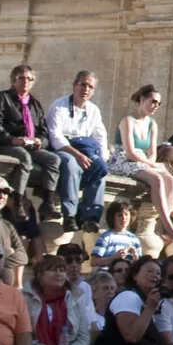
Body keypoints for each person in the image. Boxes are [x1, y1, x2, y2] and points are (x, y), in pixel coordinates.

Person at [0, 66, 78, 217]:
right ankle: (17, 202)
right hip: (6, 145)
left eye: (29, 79)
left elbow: (44, 131)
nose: (25, 82)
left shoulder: (34, 104)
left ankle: (47, 203)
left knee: (53, 159)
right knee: (24, 158)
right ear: (13, 81)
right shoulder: (3, 98)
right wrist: (12, 139)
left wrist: (40, 141)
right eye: (21, 78)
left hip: (31, 146)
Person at [114, 84, 173, 237]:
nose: (155, 106)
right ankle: (167, 224)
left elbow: (152, 153)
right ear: (142, 99)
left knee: (172, 181)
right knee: (156, 178)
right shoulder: (128, 121)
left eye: (158, 103)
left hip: (142, 161)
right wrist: (151, 165)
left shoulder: (152, 124)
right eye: (153, 101)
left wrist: (150, 163)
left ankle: (165, 221)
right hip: (123, 159)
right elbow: (129, 152)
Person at [49, 72, 110, 228]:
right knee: (71, 164)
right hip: (64, 148)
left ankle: (92, 216)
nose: (86, 89)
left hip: (86, 149)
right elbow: (55, 136)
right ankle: (70, 214)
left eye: (90, 87)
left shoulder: (93, 110)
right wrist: (77, 155)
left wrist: (101, 156)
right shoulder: (59, 106)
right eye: (83, 85)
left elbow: (100, 136)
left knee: (101, 170)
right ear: (74, 85)